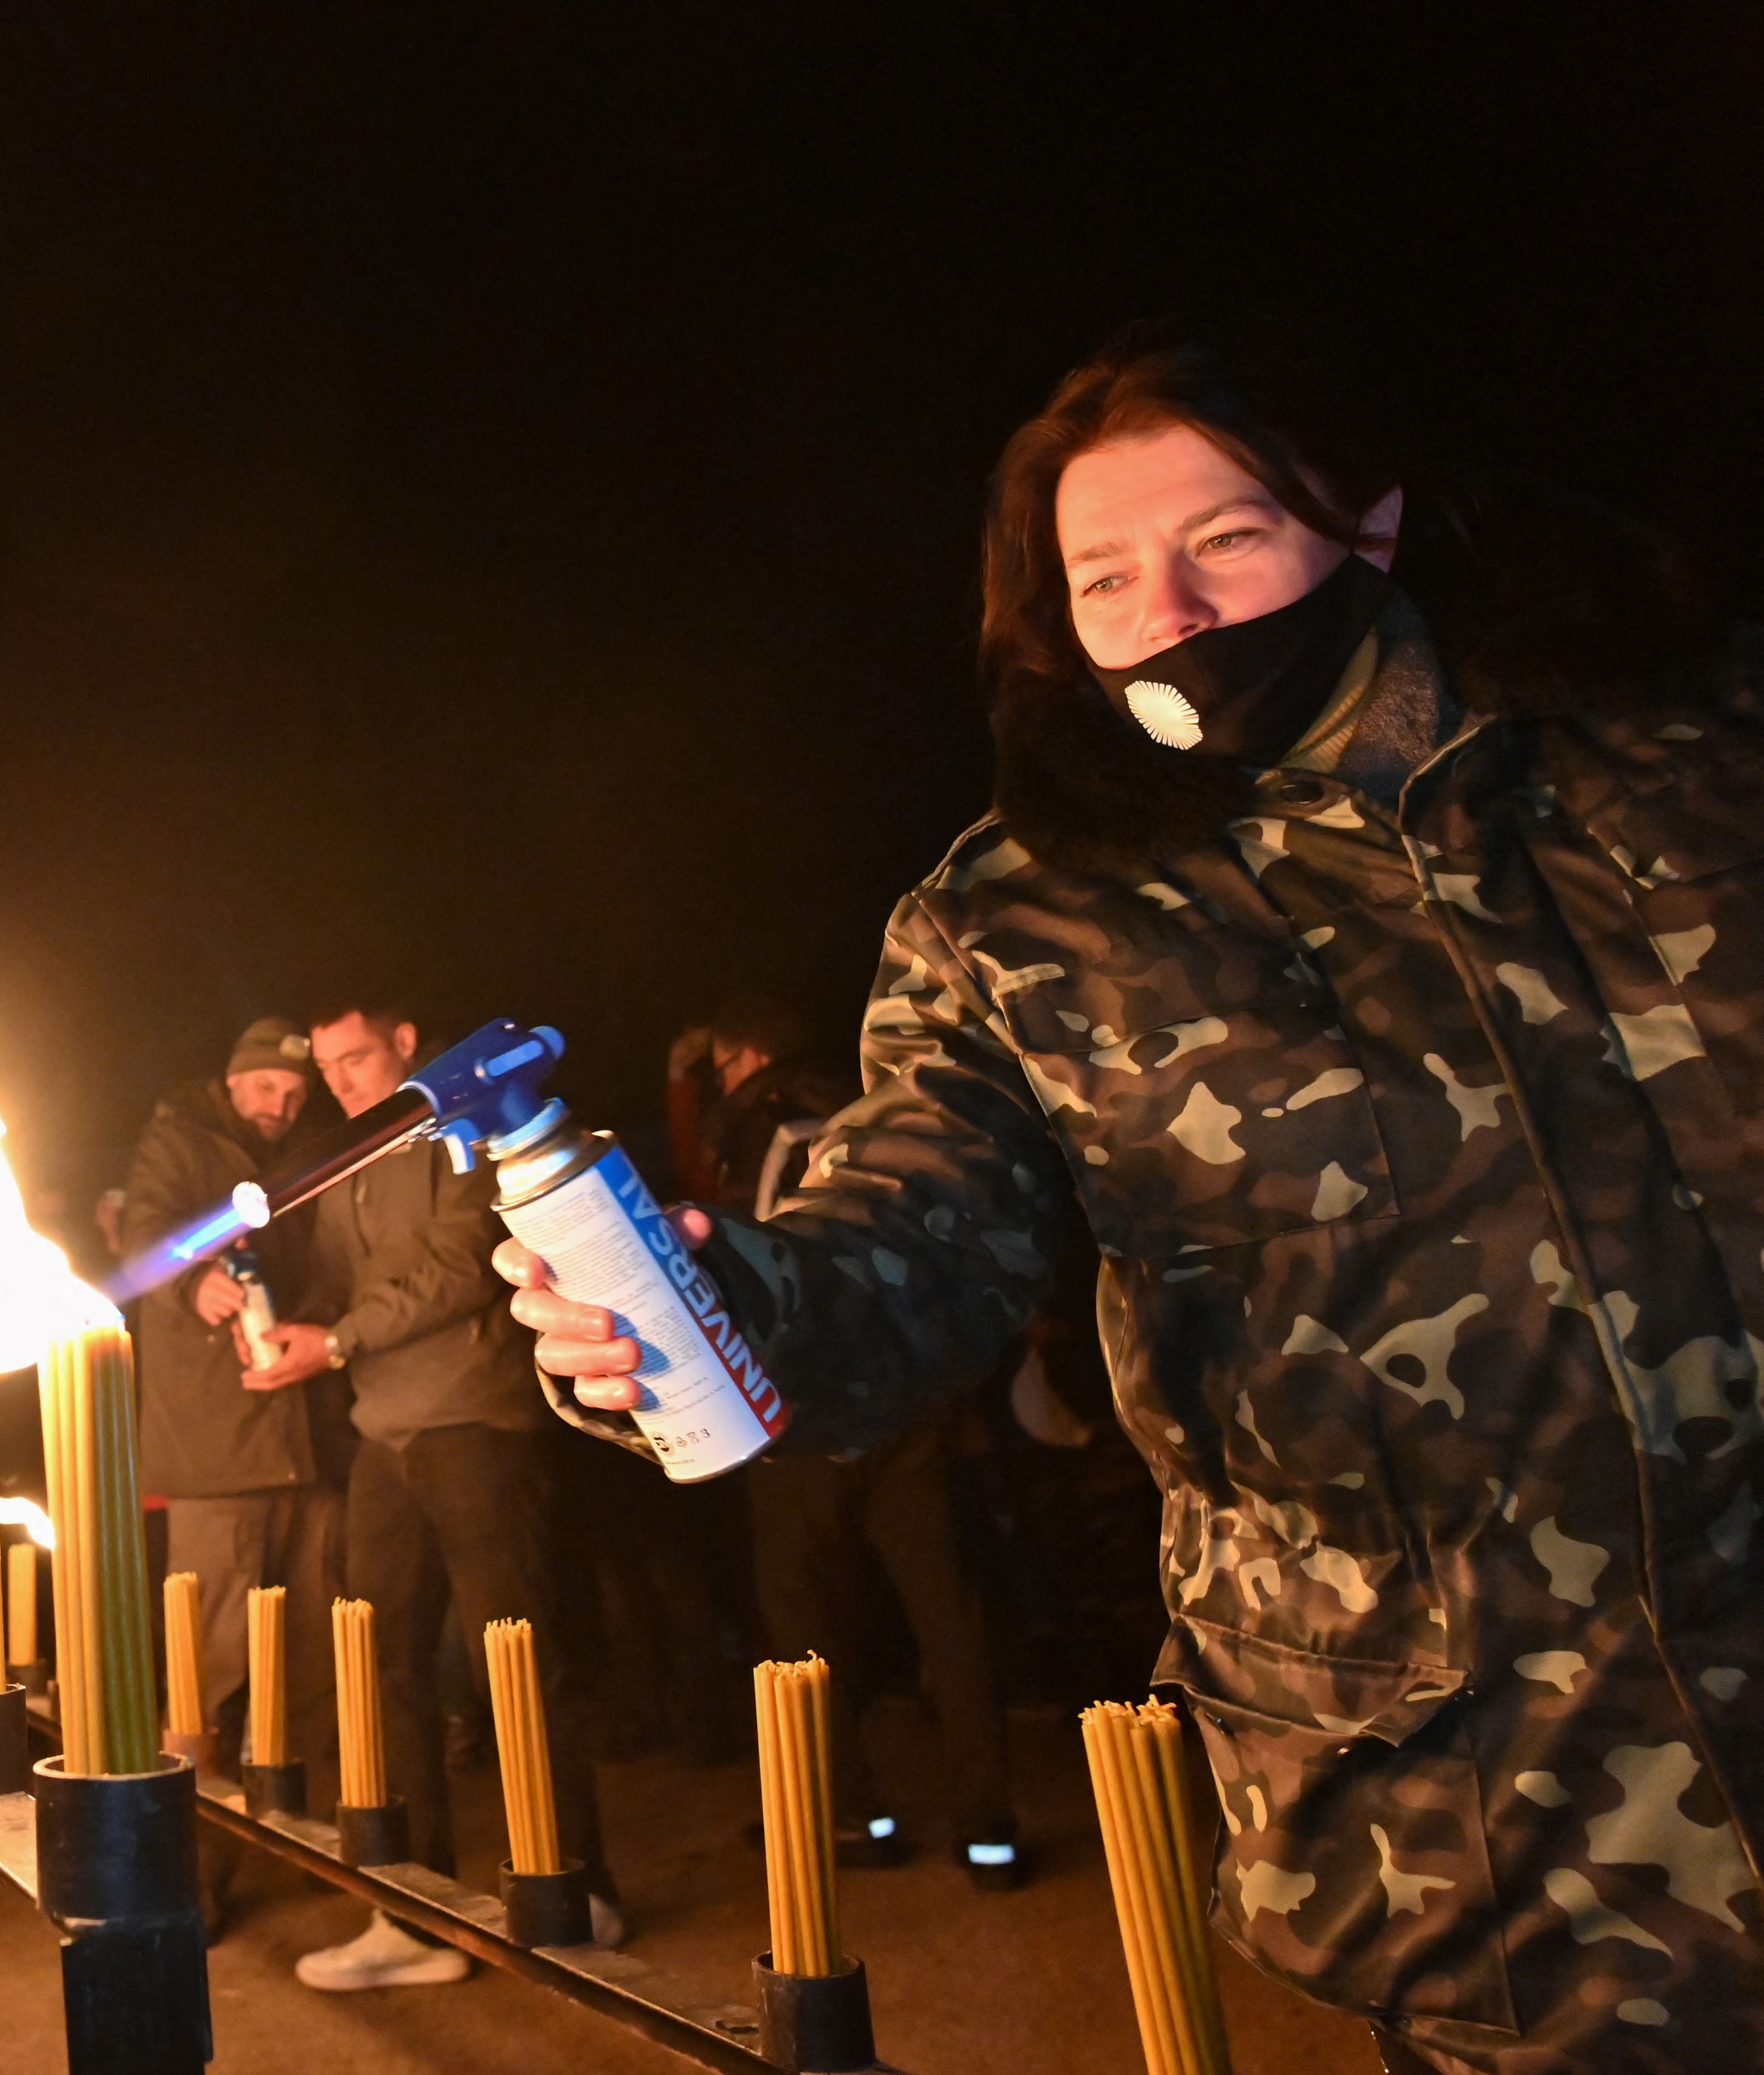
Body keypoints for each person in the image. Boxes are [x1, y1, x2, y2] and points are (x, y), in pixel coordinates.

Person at [505, 320, 1764, 2074]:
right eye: (1099, 577)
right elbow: (905, 1247)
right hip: (1490, 1829)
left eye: (1224, 539)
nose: (1162, 609)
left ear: (1365, 524)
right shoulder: (1017, 923)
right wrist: (709, 1317)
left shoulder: (1689, 745)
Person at [253, 1000, 620, 1989]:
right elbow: (340, 1282)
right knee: (380, 1662)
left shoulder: (466, 1130)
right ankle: (413, 1913)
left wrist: (332, 1344)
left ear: (406, 1043)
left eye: (356, 1056)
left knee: (517, 1649)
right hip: (384, 1428)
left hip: (475, 1420)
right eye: (327, 1066)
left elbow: (461, 1264)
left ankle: (573, 1885)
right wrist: (272, 1314)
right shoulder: (343, 1161)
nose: (343, 1079)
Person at [699, 996, 1025, 1884]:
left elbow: (766, 1257)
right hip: (912, 1403)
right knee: (947, 1611)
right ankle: (989, 1827)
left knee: (804, 1616)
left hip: (798, 1409)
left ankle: (853, 1814)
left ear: (745, 1050)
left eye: (719, 1061)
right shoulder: (872, 1100)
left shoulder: (754, 1123)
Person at [122, 1017, 350, 1773]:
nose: (278, 1104)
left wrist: (317, 1321)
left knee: (315, 1655)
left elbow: (335, 1258)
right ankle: (191, 1857)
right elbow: (144, 1236)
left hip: (308, 1438)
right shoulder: (179, 1140)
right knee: (211, 1662)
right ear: (231, 1080)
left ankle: (301, 1831)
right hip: (217, 1451)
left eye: (292, 1092)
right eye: (264, 1086)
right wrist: (195, 1280)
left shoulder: (313, 1151)